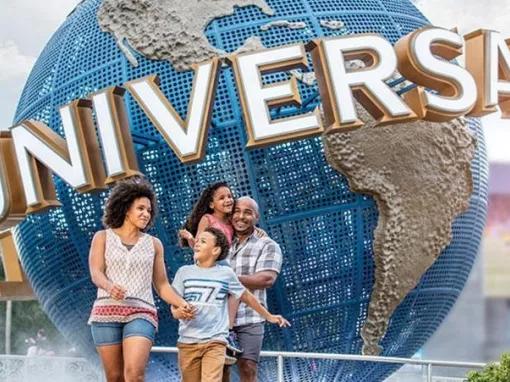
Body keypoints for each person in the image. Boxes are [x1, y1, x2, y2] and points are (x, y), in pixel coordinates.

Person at [88, 176, 193, 382]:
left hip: (142, 311)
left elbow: (162, 285)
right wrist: (110, 286)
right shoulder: (102, 237)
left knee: (134, 374)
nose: (146, 214)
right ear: (126, 208)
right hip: (105, 312)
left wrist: (182, 303)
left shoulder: (154, 244)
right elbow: (96, 273)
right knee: (115, 377)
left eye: (149, 210)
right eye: (141, 209)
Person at [171, 227, 290, 382]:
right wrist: (177, 313)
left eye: (203, 241)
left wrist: (268, 316)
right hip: (187, 341)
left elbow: (246, 295)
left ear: (215, 251)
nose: (197, 244)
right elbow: (173, 301)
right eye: (197, 241)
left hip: (215, 341)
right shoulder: (184, 272)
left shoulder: (226, 274)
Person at [225, 196, 283, 382]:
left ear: (256, 217)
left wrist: (228, 279)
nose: (241, 216)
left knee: (247, 368)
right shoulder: (221, 244)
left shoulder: (267, 245)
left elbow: (267, 278)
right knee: (219, 370)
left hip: (250, 317)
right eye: (237, 211)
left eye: (247, 212)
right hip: (219, 318)